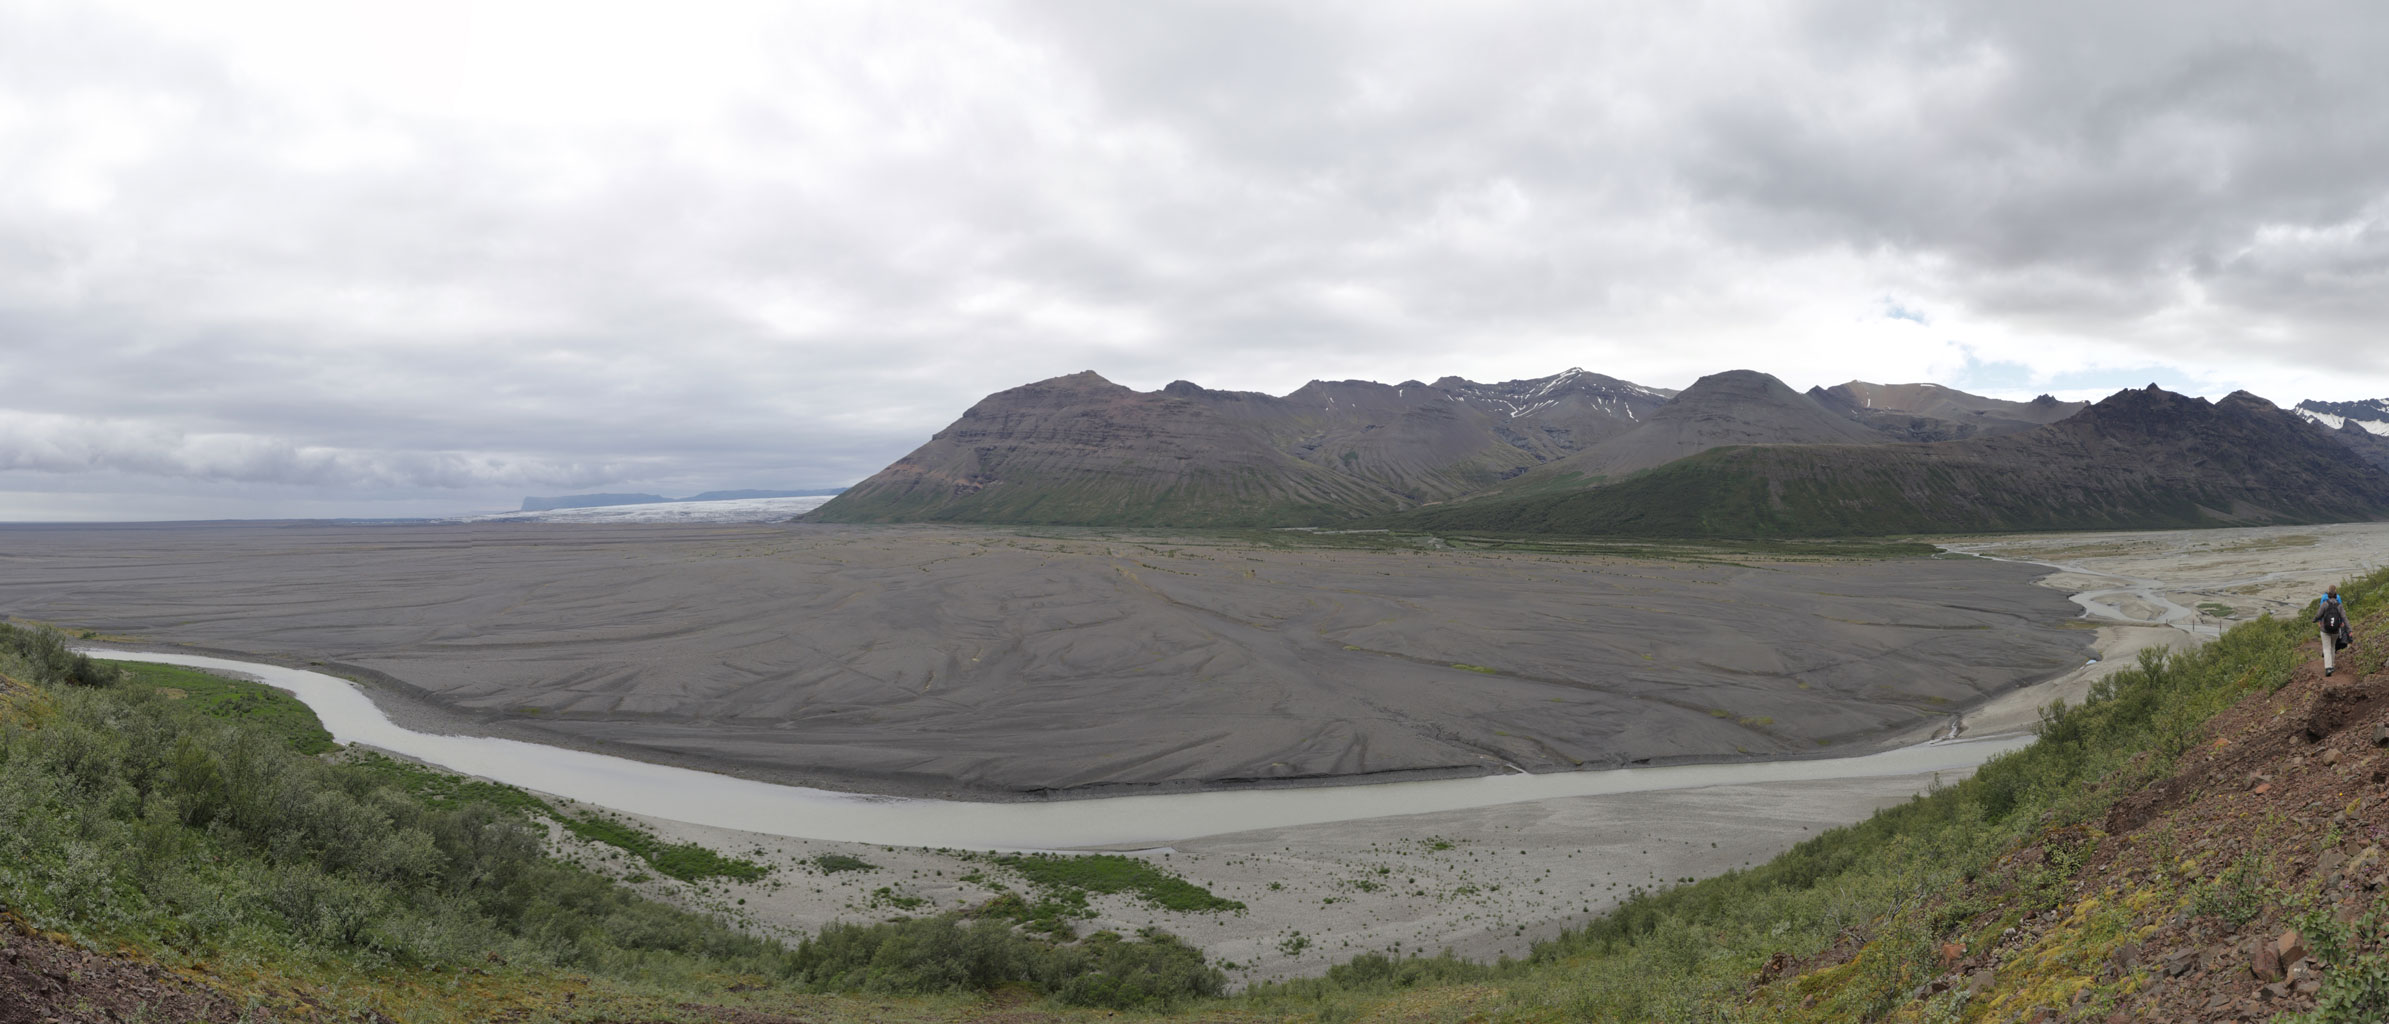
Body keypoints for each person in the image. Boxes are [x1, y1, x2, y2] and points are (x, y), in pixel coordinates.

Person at [2316, 585, 2348, 677]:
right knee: (2333, 646)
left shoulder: (2323, 597)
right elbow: (2341, 611)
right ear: (2335, 591)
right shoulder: (2338, 598)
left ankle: (2328, 667)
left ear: (2328, 591)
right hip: (2336, 626)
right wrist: (2341, 622)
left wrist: (2319, 621)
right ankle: (2332, 665)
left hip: (2325, 625)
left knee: (2326, 648)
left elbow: (2321, 611)